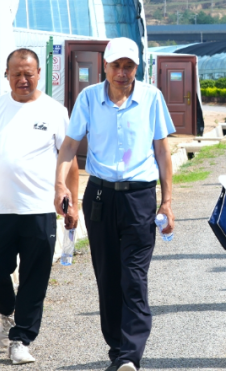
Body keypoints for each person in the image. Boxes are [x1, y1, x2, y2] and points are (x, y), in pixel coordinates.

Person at [54, 37, 176, 371]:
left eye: (129, 66)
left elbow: (162, 152)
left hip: (140, 197)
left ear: (138, 68)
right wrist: (60, 185)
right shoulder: (89, 98)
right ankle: (118, 350)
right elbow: (69, 146)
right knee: (107, 276)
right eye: (116, 65)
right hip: (100, 196)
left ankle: (130, 355)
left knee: (133, 277)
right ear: (104, 66)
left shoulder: (151, 98)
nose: (122, 72)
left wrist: (167, 201)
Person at [0, 49, 79, 365]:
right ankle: (7, 311)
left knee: (35, 277)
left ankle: (21, 339)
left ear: (39, 73)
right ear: (7, 75)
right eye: (16, 73)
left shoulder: (54, 110)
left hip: (39, 209)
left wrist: (73, 203)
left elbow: (69, 160)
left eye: (28, 73)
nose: (23, 79)